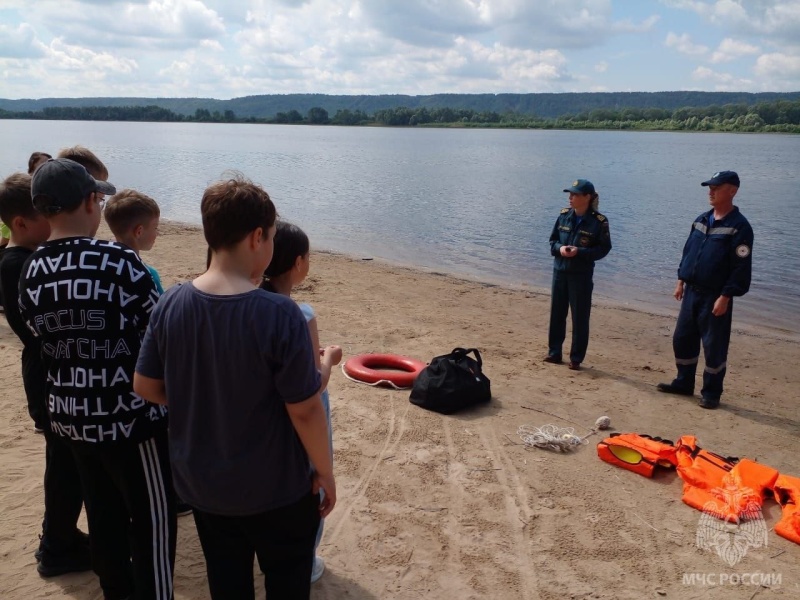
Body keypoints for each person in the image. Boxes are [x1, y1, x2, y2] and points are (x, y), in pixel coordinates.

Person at [134, 175, 338, 600]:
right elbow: (304, 409)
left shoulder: (172, 301)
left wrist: (200, 396)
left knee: (227, 581)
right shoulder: (279, 314)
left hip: (203, 486)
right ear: (258, 237)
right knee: (286, 581)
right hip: (277, 489)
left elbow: (145, 385)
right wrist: (325, 470)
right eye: (270, 239)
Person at [19, 158, 175, 600]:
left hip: (70, 418)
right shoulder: (122, 261)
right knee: (152, 521)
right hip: (130, 420)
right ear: (92, 202)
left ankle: (116, 592)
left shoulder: (32, 269)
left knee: (103, 515)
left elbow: (35, 333)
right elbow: (157, 333)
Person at [0, 172, 90, 577]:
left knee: (66, 465)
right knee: (64, 468)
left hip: (51, 376)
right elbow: (37, 329)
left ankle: (62, 535)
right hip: (49, 378)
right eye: (43, 217)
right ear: (21, 223)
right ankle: (56, 545)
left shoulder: (24, 261)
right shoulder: (17, 265)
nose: (51, 225)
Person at [261, 220, 340, 584]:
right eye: (307, 257)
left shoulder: (254, 305)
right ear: (297, 264)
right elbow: (313, 385)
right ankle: (305, 564)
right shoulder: (301, 314)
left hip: (264, 421)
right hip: (301, 418)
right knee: (310, 487)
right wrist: (329, 360)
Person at [657, 170, 753, 409]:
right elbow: (688, 251)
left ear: (732, 191)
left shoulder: (739, 227)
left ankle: (711, 393)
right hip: (691, 291)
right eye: (709, 187)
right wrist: (681, 279)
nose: (710, 191)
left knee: (714, 345)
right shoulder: (701, 219)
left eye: (716, 187)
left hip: (715, 296)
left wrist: (726, 296)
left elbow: (741, 267)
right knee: (682, 339)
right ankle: (683, 383)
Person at [544, 179, 612, 370]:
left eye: (574, 194)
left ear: (587, 197)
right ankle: (554, 352)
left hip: (580, 275)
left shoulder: (599, 221)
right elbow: (552, 241)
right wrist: (561, 248)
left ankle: (576, 358)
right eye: (570, 194)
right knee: (557, 313)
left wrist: (579, 253)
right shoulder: (564, 216)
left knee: (580, 317)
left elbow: (603, 249)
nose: (570, 198)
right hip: (560, 272)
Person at [103, 189, 164, 293]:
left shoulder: (102, 268)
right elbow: (162, 307)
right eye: (155, 228)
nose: (157, 233)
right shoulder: (148, 274)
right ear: (139, 232)